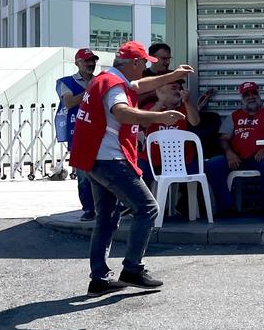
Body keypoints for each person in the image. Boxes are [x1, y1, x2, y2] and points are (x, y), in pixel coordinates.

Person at [68, 41, 193, 295]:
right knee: (147, 209)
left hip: (95, 159)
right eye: (144, 63)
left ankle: (99, 279)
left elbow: (141, 85)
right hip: (110, 160)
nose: (145, 68)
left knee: (106, 218)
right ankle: (132, 269)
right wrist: (160, 116)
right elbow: (122, 113)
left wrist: (174, 76)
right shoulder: (115, 85)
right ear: (135, 63)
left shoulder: (106, 79)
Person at [204, 82, 264, 216]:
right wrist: (229, 152)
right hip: (236, 158)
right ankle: (227, 208)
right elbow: (223, 138)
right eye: (246, 95)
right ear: (242, 98)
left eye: (253, 93)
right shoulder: (234, 116)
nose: (251, 97)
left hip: (260, 156)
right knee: (214, 164)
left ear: (259, 95)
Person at [56, 48, 98, 219]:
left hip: (99, 132)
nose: (91, 64)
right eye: (87, 61)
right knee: (83, 175)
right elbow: (69, 102)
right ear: (77, 63)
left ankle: (103, 208)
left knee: (102, 173)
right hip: (77, 134)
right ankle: (88, 209)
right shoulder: (66, 82)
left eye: (93, 60)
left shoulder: (101, 80)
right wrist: (90, 89)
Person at [140, 79, 201, 185]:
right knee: (140, 170)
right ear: (160, 90)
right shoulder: (150, 107)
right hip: (153, 160)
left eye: (180, 88)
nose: (178, 91)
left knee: (199, 172)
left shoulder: (184, 108)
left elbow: (195, 122)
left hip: (182, 160)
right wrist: (161, 102)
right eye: (174, 88)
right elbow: (145, 123)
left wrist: (187, 102)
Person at [137, 42, 173, 108]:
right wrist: (153, 93)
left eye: (169, 59)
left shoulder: (173, 76)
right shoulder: (141, 76)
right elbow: (133, 101)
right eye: (164, 58)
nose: (168, 62)